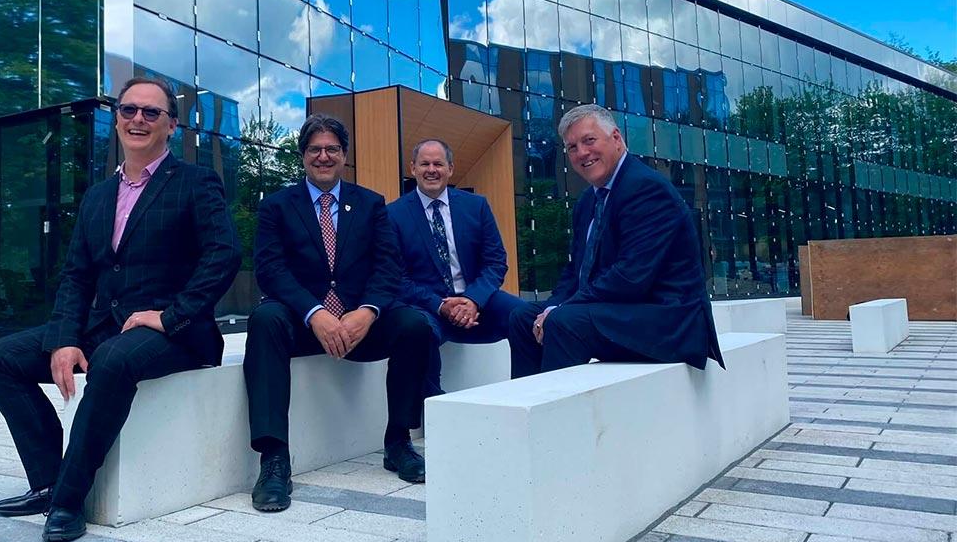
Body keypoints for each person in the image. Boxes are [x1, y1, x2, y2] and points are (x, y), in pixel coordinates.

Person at [0, 75, 241, 542]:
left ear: (171, 127)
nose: (137, 119)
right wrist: (63, 339)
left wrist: (171, 315)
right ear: (116, 118)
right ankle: (46, 481)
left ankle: (68, 500)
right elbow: (77, 276)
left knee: (112, 360)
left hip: (177, 334)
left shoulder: (197, 183)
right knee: (0, 359)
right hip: (108, 327)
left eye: (151, 112)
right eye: (128, 110)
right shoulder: (99, 196)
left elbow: (223, 256)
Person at [243, 114, 430, 512]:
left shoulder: (371, 204)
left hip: (358, 324)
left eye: (332, 149)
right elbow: (270, 269)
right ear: (303, 157)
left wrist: (368, 311)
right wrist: (314, 312)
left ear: (344, 155)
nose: (323, 156)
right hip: (303, 323)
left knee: (414, 325)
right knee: (264, 321)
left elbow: (387, 267)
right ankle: (274, 459)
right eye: (315, 150)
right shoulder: (276, 206)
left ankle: (399, 441)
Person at [508, 104, 723, 377]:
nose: (582, 152)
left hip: (667, 320)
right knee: (522, 318)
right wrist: (552, 305)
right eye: (572, 147)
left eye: (589, 140)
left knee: (564, 321)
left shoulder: (646, 188)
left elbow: (631, 277)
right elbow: (576, 272)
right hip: (622, 311)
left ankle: (557, 416)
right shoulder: (588, 200)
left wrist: (561, 310)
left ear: (617, 139)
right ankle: (528, 405)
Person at [387, 139, 528, 397]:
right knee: (418, 330)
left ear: (450, 168)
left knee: (526, 316)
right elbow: (398, 278)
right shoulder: (393, 215)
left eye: (438, 164)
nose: (432, 169)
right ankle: (433, 410)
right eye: (424, 164)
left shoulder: (477, 206)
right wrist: (442, 306)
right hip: (428, 307)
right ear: (413, 168)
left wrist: (472, 300)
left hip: (478, 302)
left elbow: (496, 261)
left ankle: (527, 393)